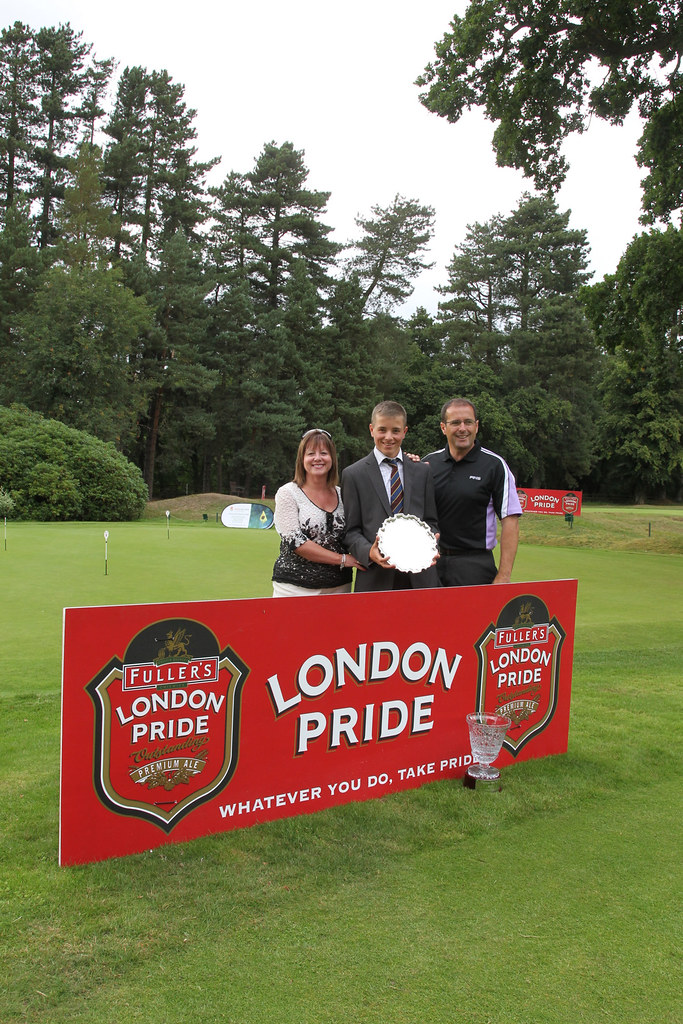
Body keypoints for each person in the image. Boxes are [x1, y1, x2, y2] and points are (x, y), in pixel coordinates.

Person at [341, 401, 440, 592]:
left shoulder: (422, 472)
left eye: (395, 431)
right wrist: (369, 552)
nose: (388, 437)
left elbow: (431, 521)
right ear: (372, 430)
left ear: (404, 431)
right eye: (382, 430)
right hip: (375, 579)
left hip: (420, 579)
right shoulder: (354, 474)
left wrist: (431, 545)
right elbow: (350, 531)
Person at [423, 398, 523, 587]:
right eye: (455, 423)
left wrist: (504, 576)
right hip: (430, 564)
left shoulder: (495, 465)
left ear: (476, 426)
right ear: (443, 427)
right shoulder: (428, 464)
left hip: (475, 566)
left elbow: (510, 521)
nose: (463, 428)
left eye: (468, 422)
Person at [272, 429, 364, 597]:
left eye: (323, 453)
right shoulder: (288, 493)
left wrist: (405, 465)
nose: (317, 458)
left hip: (339, 588)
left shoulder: (343, 494)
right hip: (294, 589)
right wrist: (343, 559)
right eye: (311, 453)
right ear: (302, 459)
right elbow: (295, 542)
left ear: (332, 458)